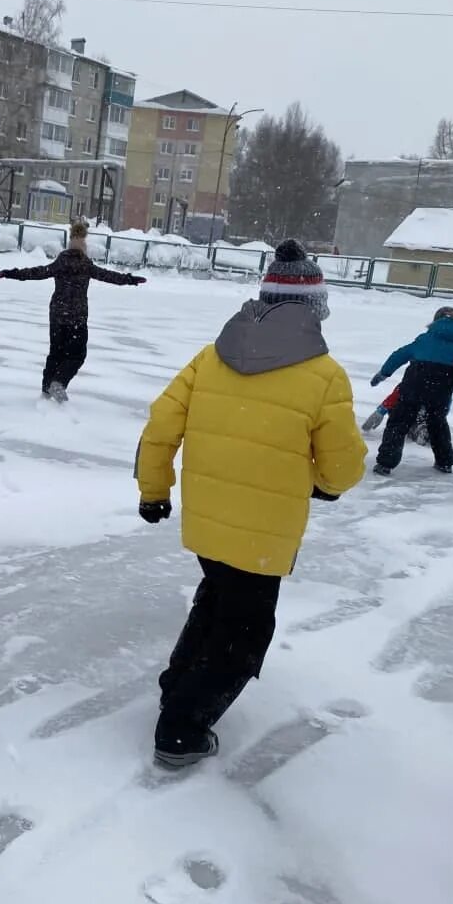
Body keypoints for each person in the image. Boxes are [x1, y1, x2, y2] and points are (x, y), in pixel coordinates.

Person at [134, 240, 366, 768]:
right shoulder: (324, 376)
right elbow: (345, 466)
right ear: (315, 310)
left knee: (217, 598)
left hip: (206, 524)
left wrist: (154, 490)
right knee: (243, 634)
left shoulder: (210, 357)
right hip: (264, 536)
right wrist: (327, 483)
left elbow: (160, 425)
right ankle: (180, 729)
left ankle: (179, 686)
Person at [0, 220, 146, 402]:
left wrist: (12, 273)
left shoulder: (61, 262)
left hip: (58, 316)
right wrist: (130, 279)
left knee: (56, 353)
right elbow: (110, 276)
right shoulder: (85, 264)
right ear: (84, 243)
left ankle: (46, 388)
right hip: (76, 318)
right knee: (77, 355)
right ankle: (58, 383)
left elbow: (37, 272)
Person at [370, 305, 453, 476]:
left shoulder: (424, 339)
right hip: (441, 389)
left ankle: (385, 463)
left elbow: (400, 354)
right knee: (438, 424)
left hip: (415, 382)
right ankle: (445, 462)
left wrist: (384, 373)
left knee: (398, 422)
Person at [362, 383, 445, 448]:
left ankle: (423, 428)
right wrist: (381, 410)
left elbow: (398, 392)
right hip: (413, 411)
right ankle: (421, 428)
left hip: (415, 411)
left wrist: (381, 410)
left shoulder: (414, 377)